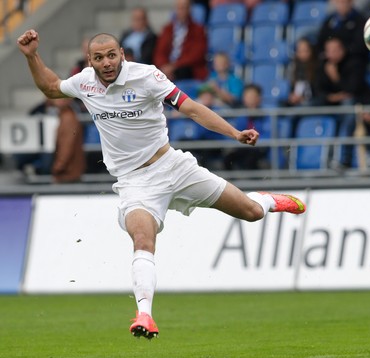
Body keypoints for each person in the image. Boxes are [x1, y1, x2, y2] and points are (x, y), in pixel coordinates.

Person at [17, 29, 306, 339]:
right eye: (99, 58)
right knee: (142, 238)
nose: (106, 62)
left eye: (112, 55)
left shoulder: (148, 77)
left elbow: (192, 109)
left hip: (173, 166)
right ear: (90, 61)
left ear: (122, 55)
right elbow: (50, 87)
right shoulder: (84, 82)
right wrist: (32, 55)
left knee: (250, 212)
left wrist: (235, 133)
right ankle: (144, 314)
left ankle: (268, 201)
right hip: (134, 183)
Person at [313, 37, 370, 169]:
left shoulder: (354, 63)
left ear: (342, 50)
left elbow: (352, 90)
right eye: (329, 50)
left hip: (358, 106)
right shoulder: (322, 66)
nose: (332, 54)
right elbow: (318, 92)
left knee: (348, 109)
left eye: (335, 50)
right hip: (331, 106)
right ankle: (326, 160)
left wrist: (335, 77)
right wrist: (333, 97)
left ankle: (343, 158)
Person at [154, 0, 209, 81]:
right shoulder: (167, 29)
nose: (182, 11)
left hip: (187, 70)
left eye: (184, 8)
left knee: (184, 71)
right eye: (179, 8)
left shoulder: (198, 30)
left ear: (189, 9)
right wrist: (164, 67)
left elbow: (197, 55)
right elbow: (159, 52)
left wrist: (174, 66)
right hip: (167, 69)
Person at [223, 83, 268, 170]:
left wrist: (254, 141)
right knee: (228, 158)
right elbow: (236, 131)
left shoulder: (267, 116)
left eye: (252, 96)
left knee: (251, 158)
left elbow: (268, 135)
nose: (249, 99)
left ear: (259, 98)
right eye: (247, 96)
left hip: (258, 148)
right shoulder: (240, 115)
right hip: (242, 146)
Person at [316, 0, 369, 64]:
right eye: (339, 2)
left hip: (351, 59)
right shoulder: (329, 21)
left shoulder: (360, 21)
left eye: (344, 2)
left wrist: (342, 49)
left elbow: (360, 45)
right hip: (330, 59)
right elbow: (320, 41)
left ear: (351, 2)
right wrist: (329, 51)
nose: (341, 5)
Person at [287, 37, 318, 108]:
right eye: (300, 51)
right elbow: (292, 88)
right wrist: (292, 96)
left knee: (306, 105)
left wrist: (304, 98)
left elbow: (319, 92)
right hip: (298, 101)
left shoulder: (318, 68)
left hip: (313, 101)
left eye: (305, 50)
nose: (302, 54)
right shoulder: (293, 68)